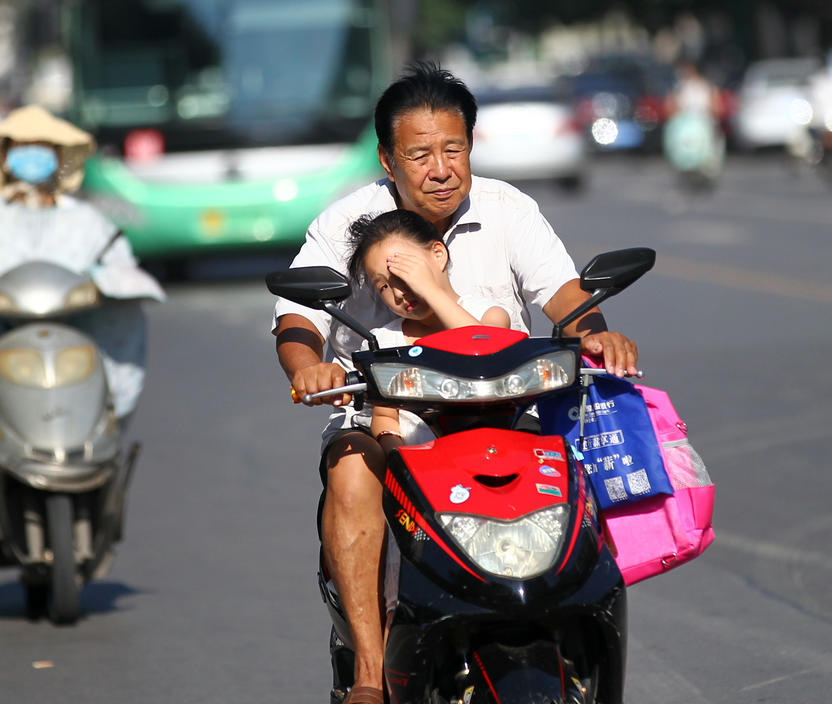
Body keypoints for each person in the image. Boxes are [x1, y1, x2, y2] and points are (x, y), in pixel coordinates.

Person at [271, 62, 639, 704]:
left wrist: (595, 333)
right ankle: (367, 668)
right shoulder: (347, 223)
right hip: (386, 420)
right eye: (419, 154)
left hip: (509, 414)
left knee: (575, 475)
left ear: (470, 147)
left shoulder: (507, 209)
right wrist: (308, 367)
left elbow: (562, 294)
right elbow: (297, 316)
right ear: (388, 160)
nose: (440, 168)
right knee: (353, 466)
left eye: (453, 149)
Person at [0, 105, 165, 531]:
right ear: (4, 156)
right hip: (0, 336)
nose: (32, 156)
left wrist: (112, 285)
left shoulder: (85, 219)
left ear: (60, 155)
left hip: (75, 333)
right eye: (22, 147)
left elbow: (118, 262)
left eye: (41, 147)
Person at [346, 208, 512, 449]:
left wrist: (429, 290)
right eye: (383, 287)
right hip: (418, 459)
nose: (398, 292)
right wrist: (397, 453)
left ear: (437, 254)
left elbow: (485, 350)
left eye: (403, 272)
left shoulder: (489, 315)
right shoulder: (386, 343)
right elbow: (385, 417)